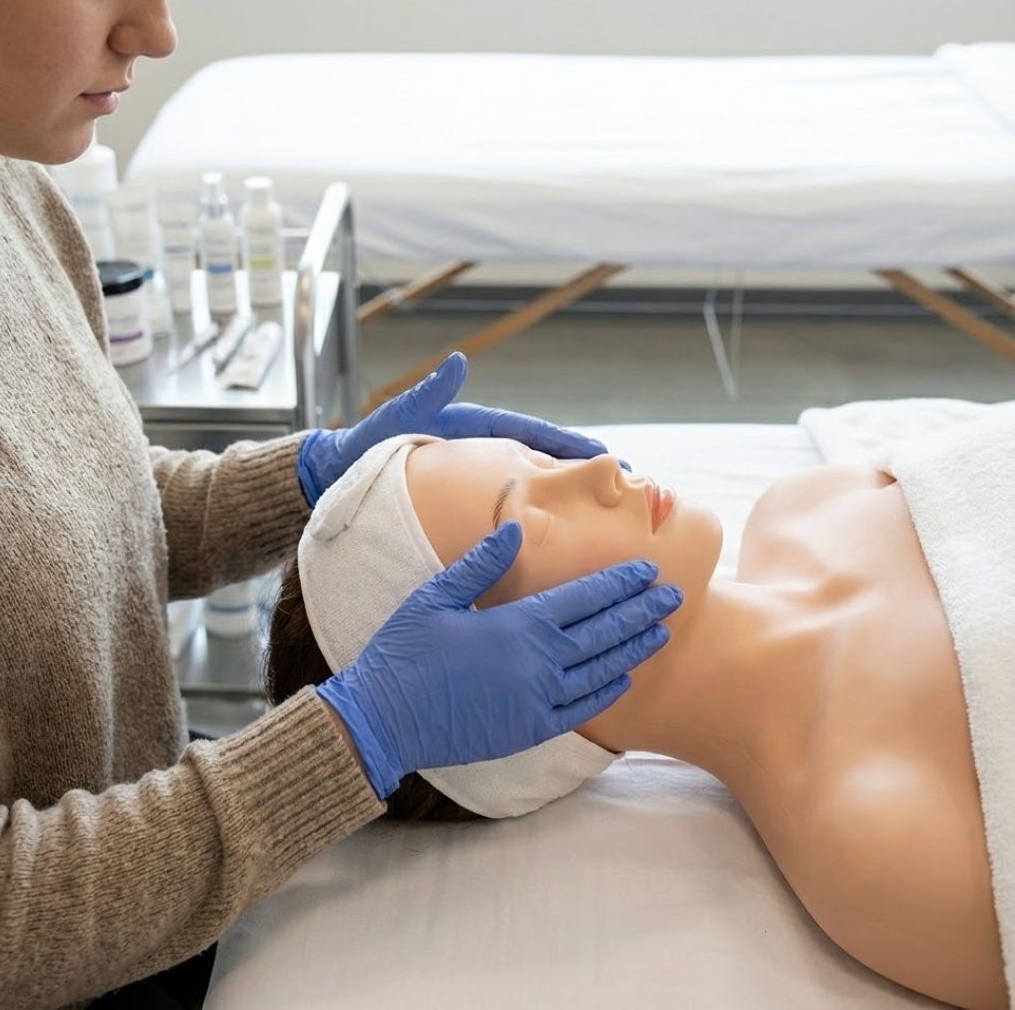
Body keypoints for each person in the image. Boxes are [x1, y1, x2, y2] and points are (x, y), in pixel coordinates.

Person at [0, 0, 685, 1006]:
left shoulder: (7, 197)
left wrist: (315, 473)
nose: (157, 28)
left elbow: (64, 511)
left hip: (152, 845)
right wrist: (363, 732)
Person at [265, 433, 1010, 1010]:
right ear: (507, 707)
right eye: (527, 517)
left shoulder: (812, 504)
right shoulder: (876, 835)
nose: (595, 470)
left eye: (535, 453)